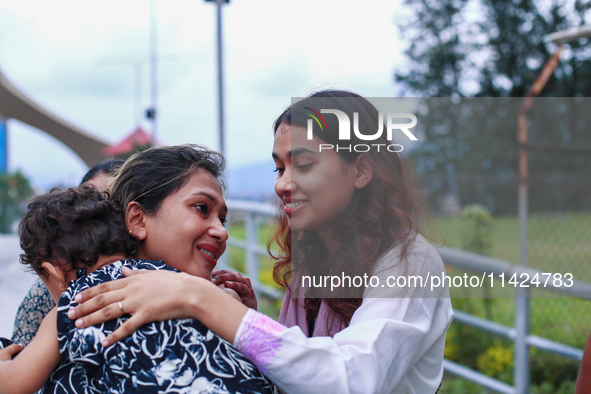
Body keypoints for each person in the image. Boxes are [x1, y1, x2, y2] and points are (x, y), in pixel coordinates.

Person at [67, 90, 454, 393]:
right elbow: (299, 372)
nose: (283, 184)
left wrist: (205, 300)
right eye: (279, 167)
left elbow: (352, 380)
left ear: (361, 171)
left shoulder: (410, 262)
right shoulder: (315, 257)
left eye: (303, 165)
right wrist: (254, 321)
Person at [0, 147, 273, 394]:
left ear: (54, 271)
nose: (222, 232)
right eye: (201, 208)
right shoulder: (211, 295)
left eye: (222, 219)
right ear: (136, 219)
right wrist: (240, 316)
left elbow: (13, 384)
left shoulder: (73, 305)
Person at [11, 159, 124, 346]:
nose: (105, 214)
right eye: (92, 201)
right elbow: (20, 347)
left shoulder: (156, 275)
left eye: (114, 204)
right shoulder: (42, 296)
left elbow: (18, 373)